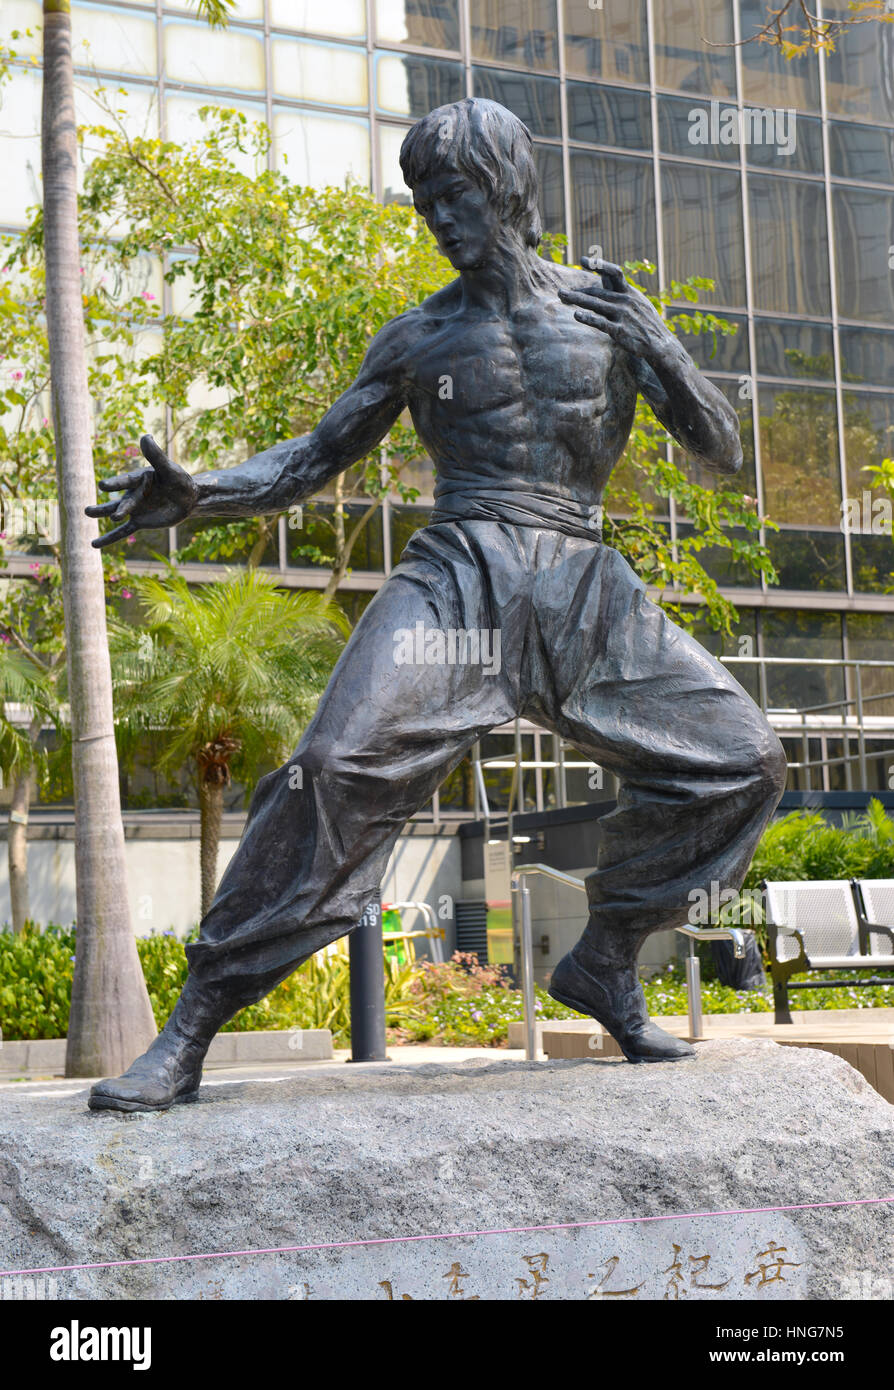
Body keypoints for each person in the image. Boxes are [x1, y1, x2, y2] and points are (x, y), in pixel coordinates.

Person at [85, 98, 786, 1112]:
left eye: (453, 196)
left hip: (582, 584)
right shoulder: (418, 338)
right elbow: (315, 459)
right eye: (423, 202)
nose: (438, 220)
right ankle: (190, 1027)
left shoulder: (607, 318)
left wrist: (664, 346)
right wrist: (204, 494)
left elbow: (722, 460)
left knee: (745, 762)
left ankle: (606, 957)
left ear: (505, 189)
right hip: (460, 575)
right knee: (331, 767)